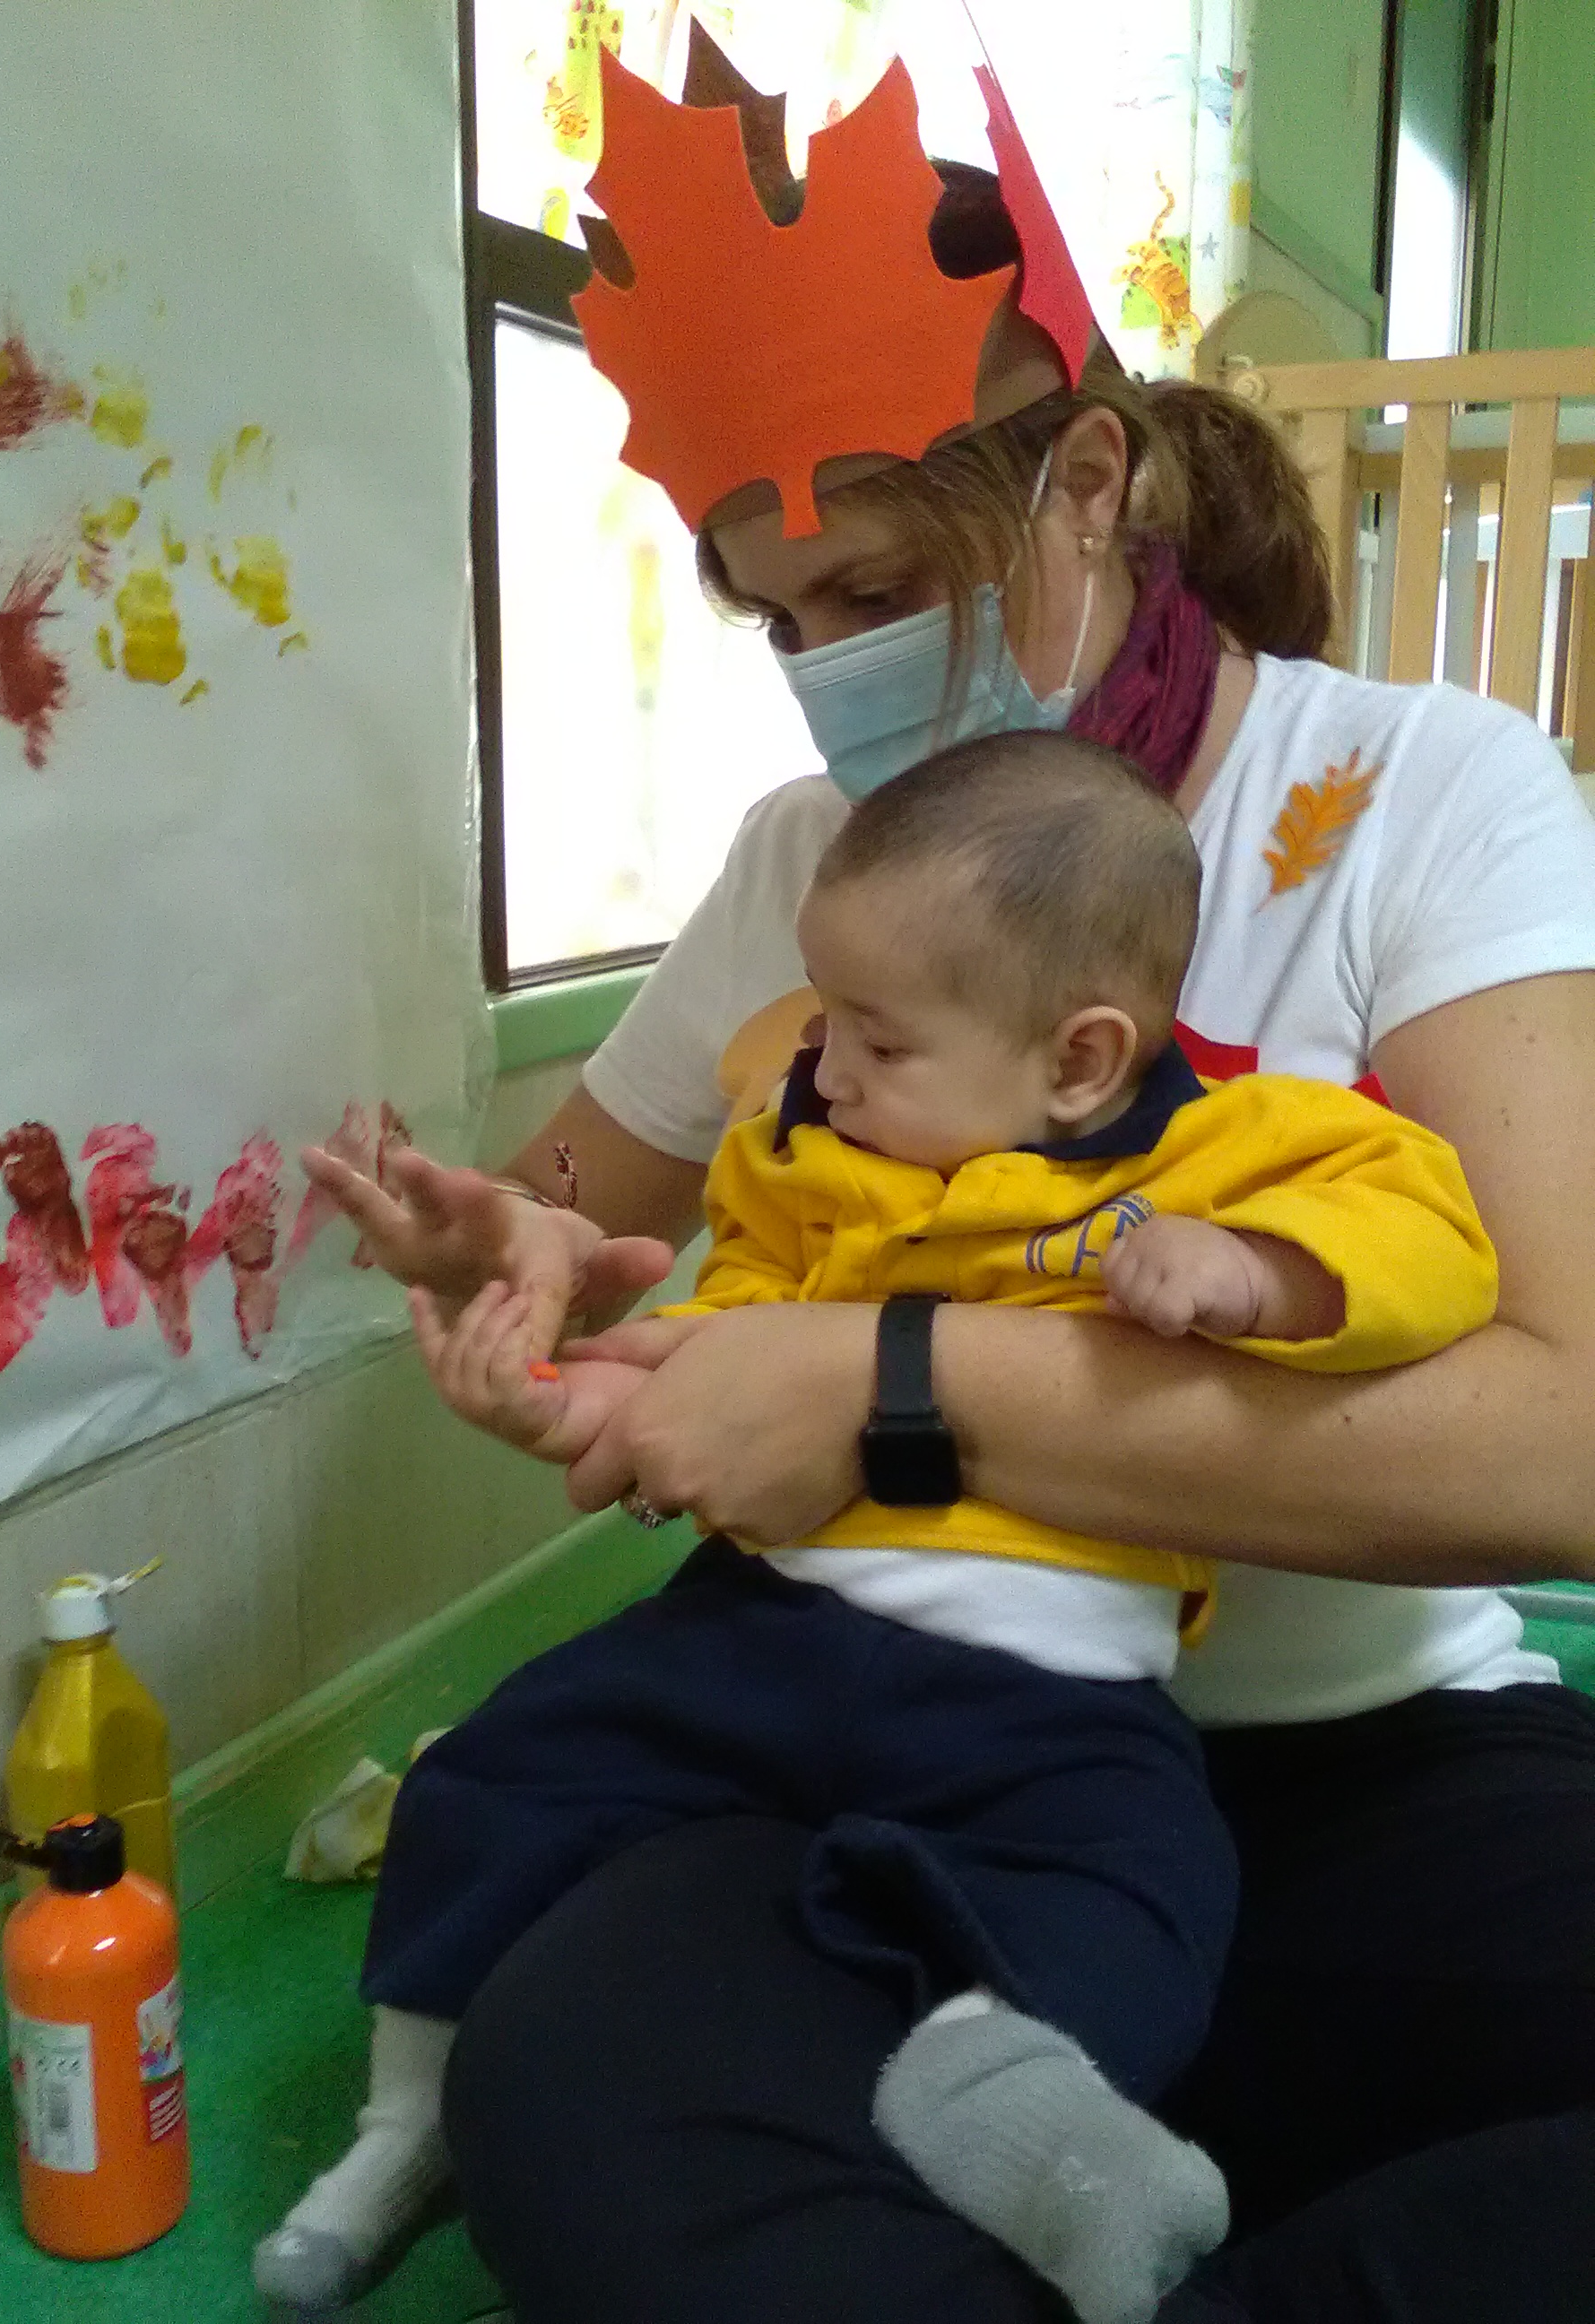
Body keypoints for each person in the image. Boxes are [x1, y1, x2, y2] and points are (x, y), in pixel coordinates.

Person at [273, 37, 1595, 2324]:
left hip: (1365, 1767)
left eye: (874, 587)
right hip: (867, 1744)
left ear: (1092, 478)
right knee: (576, 2097)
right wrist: (526, 1270)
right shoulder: (810, 866)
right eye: (779, 623)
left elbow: (1573, 1443)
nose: (828, 676)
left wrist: (902, 1390)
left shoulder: (1424, 795)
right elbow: (588, 1222)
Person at [256, 733, 1498, 2320]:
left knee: (1144, 1890)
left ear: (1079, 1058)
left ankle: (1011, 2093)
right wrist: (562, 1339)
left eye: (878, 1043)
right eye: (824, 1021)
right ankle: (404, 2118)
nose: (827, 1067)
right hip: (764, 1627)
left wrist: (1257, 1277)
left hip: (1045, 1682)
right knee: (505, 1768)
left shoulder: (1230, 1144)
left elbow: (1430, 1235)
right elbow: (689, 1290)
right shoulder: (809, 1129)